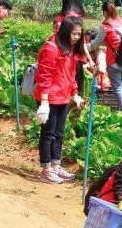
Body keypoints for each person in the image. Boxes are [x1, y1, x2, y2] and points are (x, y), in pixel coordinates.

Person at [34, 17, 86, 183]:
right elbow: (44, 76)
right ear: (65, 31)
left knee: (59, 133)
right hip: (49, 98)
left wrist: (75, 94)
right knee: (48, 133)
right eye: (74, 34)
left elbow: (70, 75)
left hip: (63, 97)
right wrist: (43, 102)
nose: (76, 37)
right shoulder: (51, 48)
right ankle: (46, 169)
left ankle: (56, 165)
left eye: (79, 34)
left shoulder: (69, 49)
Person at [95, 1, 122, 111]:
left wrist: (85, 47)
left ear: (105, 12)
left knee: (116, 87)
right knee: (121, 83)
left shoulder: (106, 26)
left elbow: (96, 43)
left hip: (114, 61)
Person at [53, 0, 91, 95]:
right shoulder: (77, 18)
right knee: (75, 83)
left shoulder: (58, 18)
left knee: (61, 82)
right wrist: (90, 59)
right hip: (74, 58)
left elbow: (55, 38)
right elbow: (82, 42)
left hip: (59, 56)